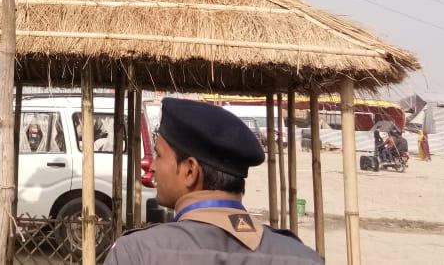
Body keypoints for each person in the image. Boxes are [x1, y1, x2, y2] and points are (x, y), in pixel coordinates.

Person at [106, 98, 322, 264]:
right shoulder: (303, 257)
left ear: (190, 171)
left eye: (160, 155)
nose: (152, 166)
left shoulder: (136, 253)